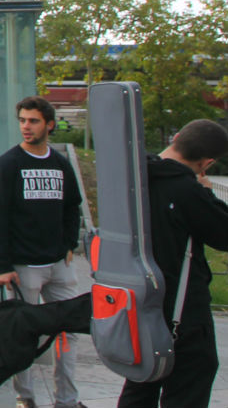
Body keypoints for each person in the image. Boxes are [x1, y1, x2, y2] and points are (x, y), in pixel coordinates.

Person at [116, 119, 228, 408]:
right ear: (207, 162)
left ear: (176, 136)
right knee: (191, 378)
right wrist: (206, 191)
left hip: (134, 301)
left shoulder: (132, 177)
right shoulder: (187, 191)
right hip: (181, 308)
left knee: (141, 380)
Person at [0, 95, 85, 408]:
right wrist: (3, 266)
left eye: (33, 121)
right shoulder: (8, 165)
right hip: (22, 267)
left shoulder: (60, 164)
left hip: (59, 264)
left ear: (49, 125)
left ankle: (67, 400)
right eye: (23, 121)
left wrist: (69, 244)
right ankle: (25, 398)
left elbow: (73, 207)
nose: (26, 127)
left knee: (69, 333)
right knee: (24, 335)